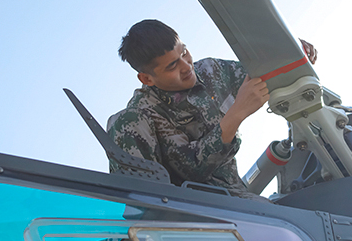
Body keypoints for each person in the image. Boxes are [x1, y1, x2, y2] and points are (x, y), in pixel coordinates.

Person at [108, 19, 282, 198]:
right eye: (172, 66)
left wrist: (283, 54)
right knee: (123, 120)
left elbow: (267, 73)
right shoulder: (143, 114)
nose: (186, 66)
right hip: (185, 202)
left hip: (233, 195)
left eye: (184, 52)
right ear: (147, 79)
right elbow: (192, 169)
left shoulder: (211, 71)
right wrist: (236, 114)